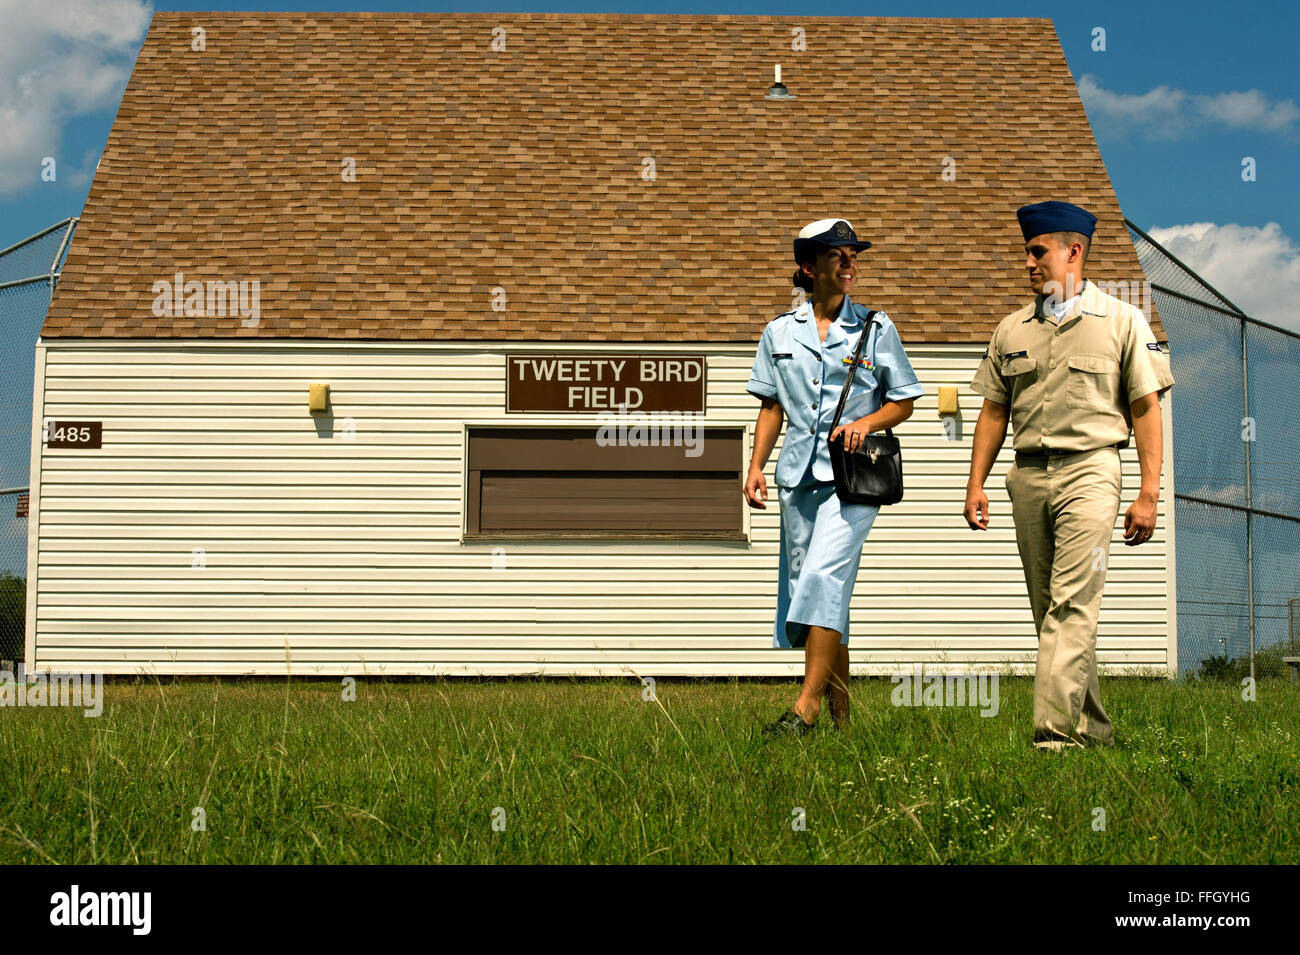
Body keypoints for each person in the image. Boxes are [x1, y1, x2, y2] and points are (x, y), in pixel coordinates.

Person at [963, 200, 1175, 751]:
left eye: (1038, 252)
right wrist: (975, 482)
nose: (1028, 263)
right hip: (1028, 477)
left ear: (1073, 252)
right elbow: (992, 411)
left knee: (1072, 602)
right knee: (1050, 610)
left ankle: (1053, 736)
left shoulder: (1123, 321)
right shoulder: (1011, 330)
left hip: (1093, 471)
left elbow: (1146, 409)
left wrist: (1149, 492)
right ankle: (1094, 728)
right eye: (1027, 253)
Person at [744, 218, 923, 735]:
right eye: (836, 255)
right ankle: (843, 720)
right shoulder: (779, 332)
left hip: (855, 479)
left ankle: (806, 706)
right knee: (819, 594)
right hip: (797, 477)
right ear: (809, 266)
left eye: (853, 254)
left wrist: (865, 422)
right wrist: (755, 466)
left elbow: (905, 400)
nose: (849, 263)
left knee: (824, 576)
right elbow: (772, 407)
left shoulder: (874, 327)